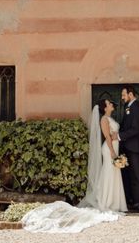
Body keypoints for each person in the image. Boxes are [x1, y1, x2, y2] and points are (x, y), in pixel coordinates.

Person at [21, 99, 126, 233]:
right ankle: (107, 202)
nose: (112, 104)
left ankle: (115, 203)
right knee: (108, 173)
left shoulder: (110, 118)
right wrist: (112, 152)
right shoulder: (104, 119)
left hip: (114, 149)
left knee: (114, 175)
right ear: (105, 108)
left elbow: (113, 134)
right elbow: (107, 136)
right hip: (109, 149)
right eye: (109, 103)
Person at [118, 85, 139, 212]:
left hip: (135, 147)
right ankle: (136, 201)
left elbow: (136, 129)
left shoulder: (136, 107)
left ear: (130, 94)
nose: (122, 97)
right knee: (133, 175)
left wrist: (120, 136)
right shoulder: (129, 107)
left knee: (138, 175)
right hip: (129, 147)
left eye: (123, 95)